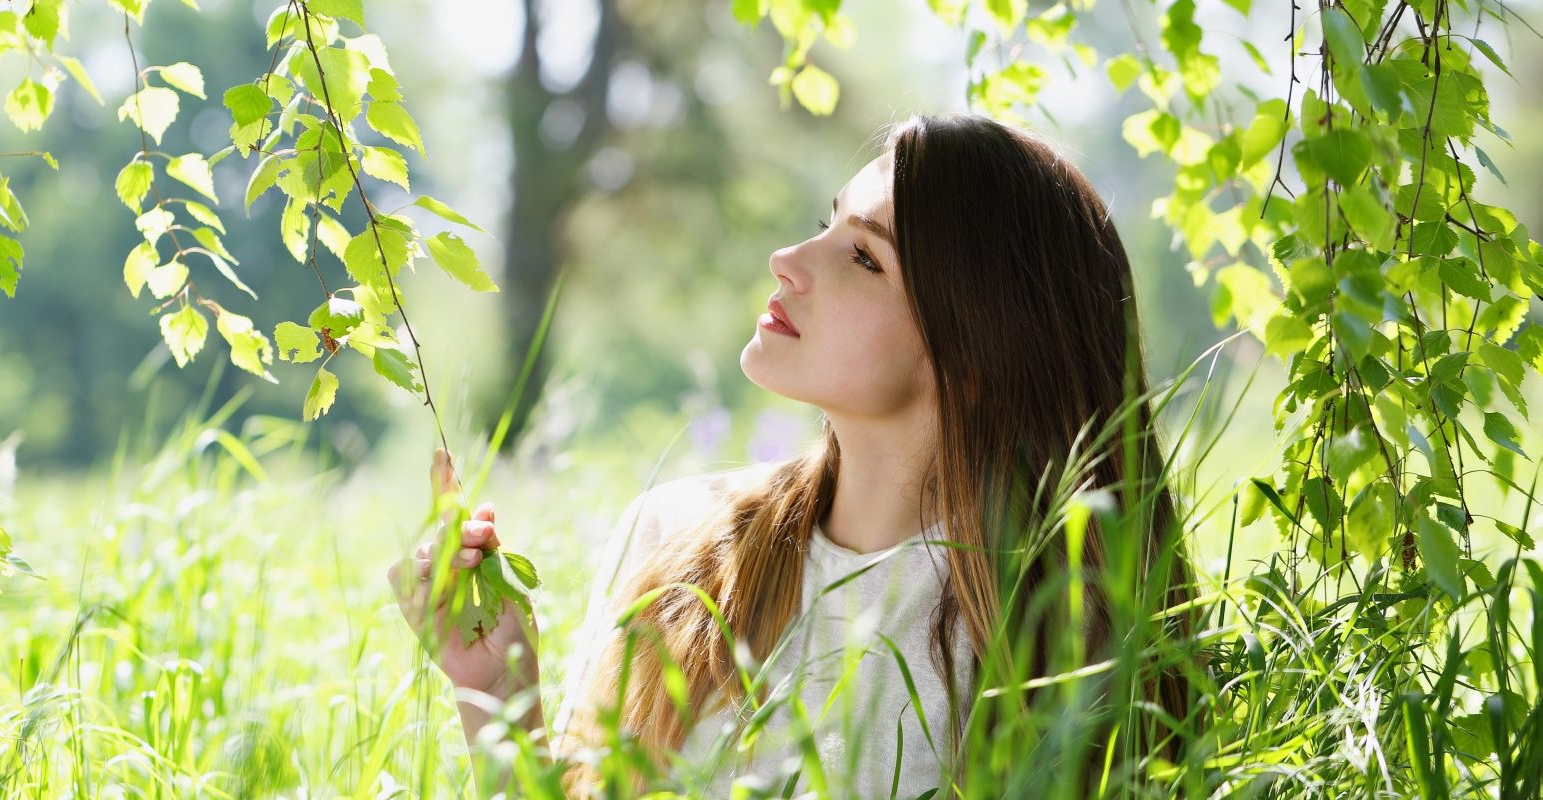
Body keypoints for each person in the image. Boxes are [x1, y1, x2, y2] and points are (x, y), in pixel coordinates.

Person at [388, 112, 1199, 798]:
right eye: (827, 222)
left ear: (976, 358)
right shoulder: (676, 543)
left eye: (864, 257)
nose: (789, 260)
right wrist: (496, 692)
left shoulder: (1054, 638)